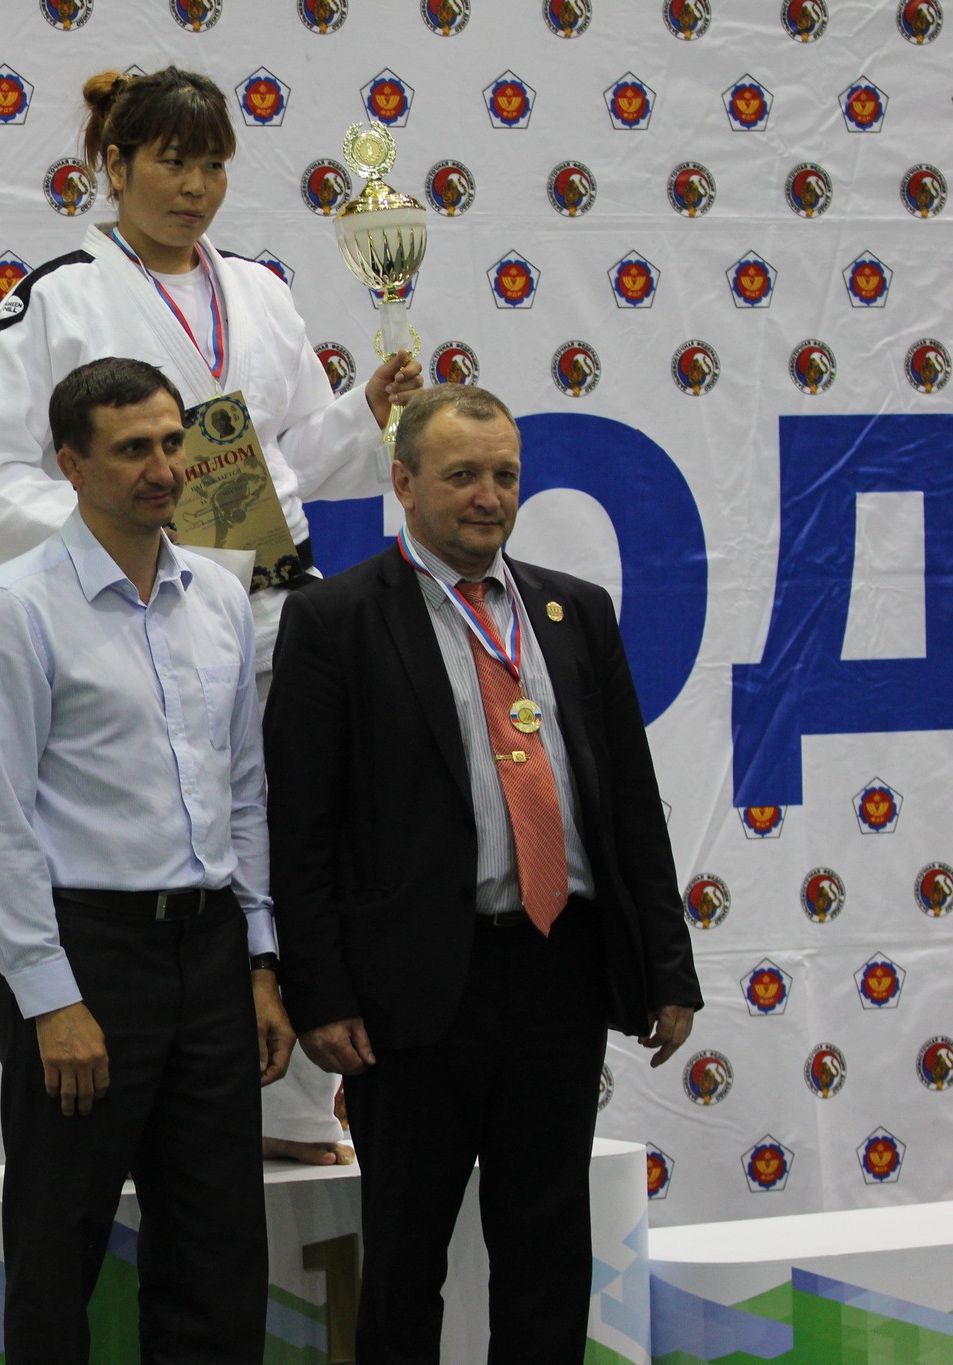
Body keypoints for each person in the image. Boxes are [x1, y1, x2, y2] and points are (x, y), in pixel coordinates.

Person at [0, 65, 420, 1163]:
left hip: (277, 606)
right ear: (112, 167)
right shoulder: (56, 297)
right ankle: (163, 1088)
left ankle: (298, 1104)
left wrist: (367, 414)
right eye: (170, 161)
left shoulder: (258, 290)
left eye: (212, 165)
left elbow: (298, 457)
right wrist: (126, 552)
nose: (194, 186)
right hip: (138, 618)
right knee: (177, 852)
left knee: (300, 842)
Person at [262, 384, 702, 1363]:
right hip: (411, 991)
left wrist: (666, 969)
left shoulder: (574, 611)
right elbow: (300, 828)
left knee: (549, 1249)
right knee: (405, 1257)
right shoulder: (334, 619)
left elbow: (629, 804)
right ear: (404, 482)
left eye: (503, 474)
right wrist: (320, 990)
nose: (487, 496)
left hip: (558, 968)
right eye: (461, 474)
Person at [0, 358, 294, 1365]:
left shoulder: (219, 595)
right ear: (70, 464)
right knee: (57, 1262)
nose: (164, 468)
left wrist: (260, 960)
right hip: (85, 956)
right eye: (132, 448)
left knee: (218, 1264)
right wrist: (49, 995)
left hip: (211, 952)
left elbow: (242, 792)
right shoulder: (11, 608)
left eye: (172, 442)